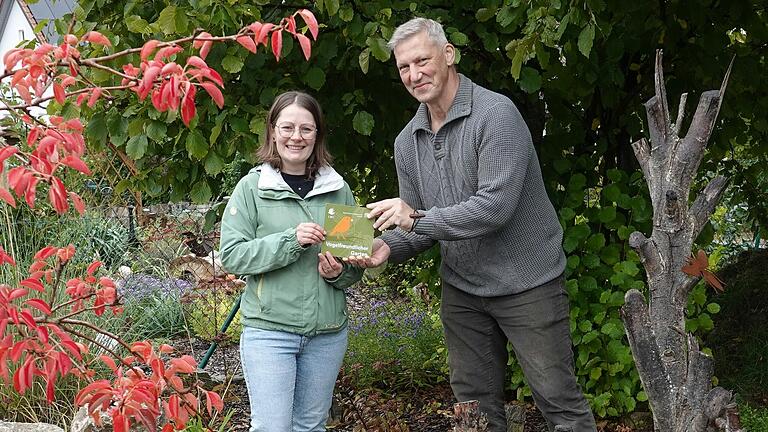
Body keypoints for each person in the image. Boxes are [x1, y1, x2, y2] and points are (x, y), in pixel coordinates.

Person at [346, 18, 597, 432]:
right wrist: (388, 247)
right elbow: (419, 221)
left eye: (422, 60)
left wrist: (417, 218)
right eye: (404, 68)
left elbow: (494, 208)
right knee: (473, 411)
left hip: (527, 283)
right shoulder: (407, 141)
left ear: (448, 55)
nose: (414, 74)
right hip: (463, 292)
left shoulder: (496, 114)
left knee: (559, 401)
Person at [220, 91, 363, 432]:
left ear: (318, 135)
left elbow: (357, 263)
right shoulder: (252, 188)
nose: (296, 137)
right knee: (272, 427)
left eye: (306, 129)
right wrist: (289, 240)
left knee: (311, 426)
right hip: (270, 333)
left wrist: (338, 273)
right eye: (287, 127)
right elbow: (232, 255)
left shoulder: (337, 188)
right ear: (272, 131)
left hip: (326, 333)